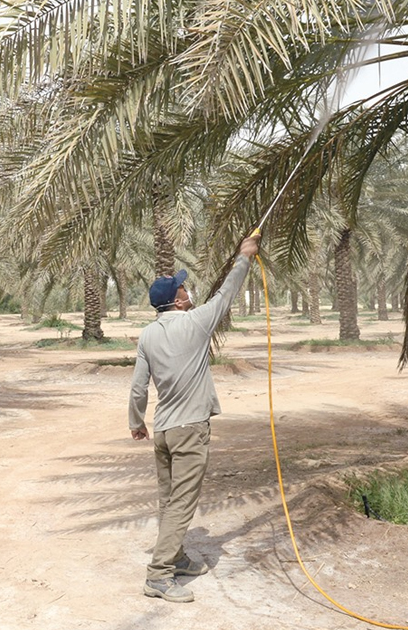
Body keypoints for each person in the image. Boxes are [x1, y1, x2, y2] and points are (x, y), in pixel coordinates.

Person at [129, 233, 261, 603]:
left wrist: (137, 422)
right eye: (183, 288)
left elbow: (138, 387)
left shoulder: (147, 335)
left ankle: (177, 558)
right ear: (178, 300)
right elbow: (226, 295)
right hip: (189, 431)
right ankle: (158, 576)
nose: (188, 290)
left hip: (163, 431)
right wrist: (244, 257)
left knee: (168, 499)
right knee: (182, 502)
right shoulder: (196, 323)